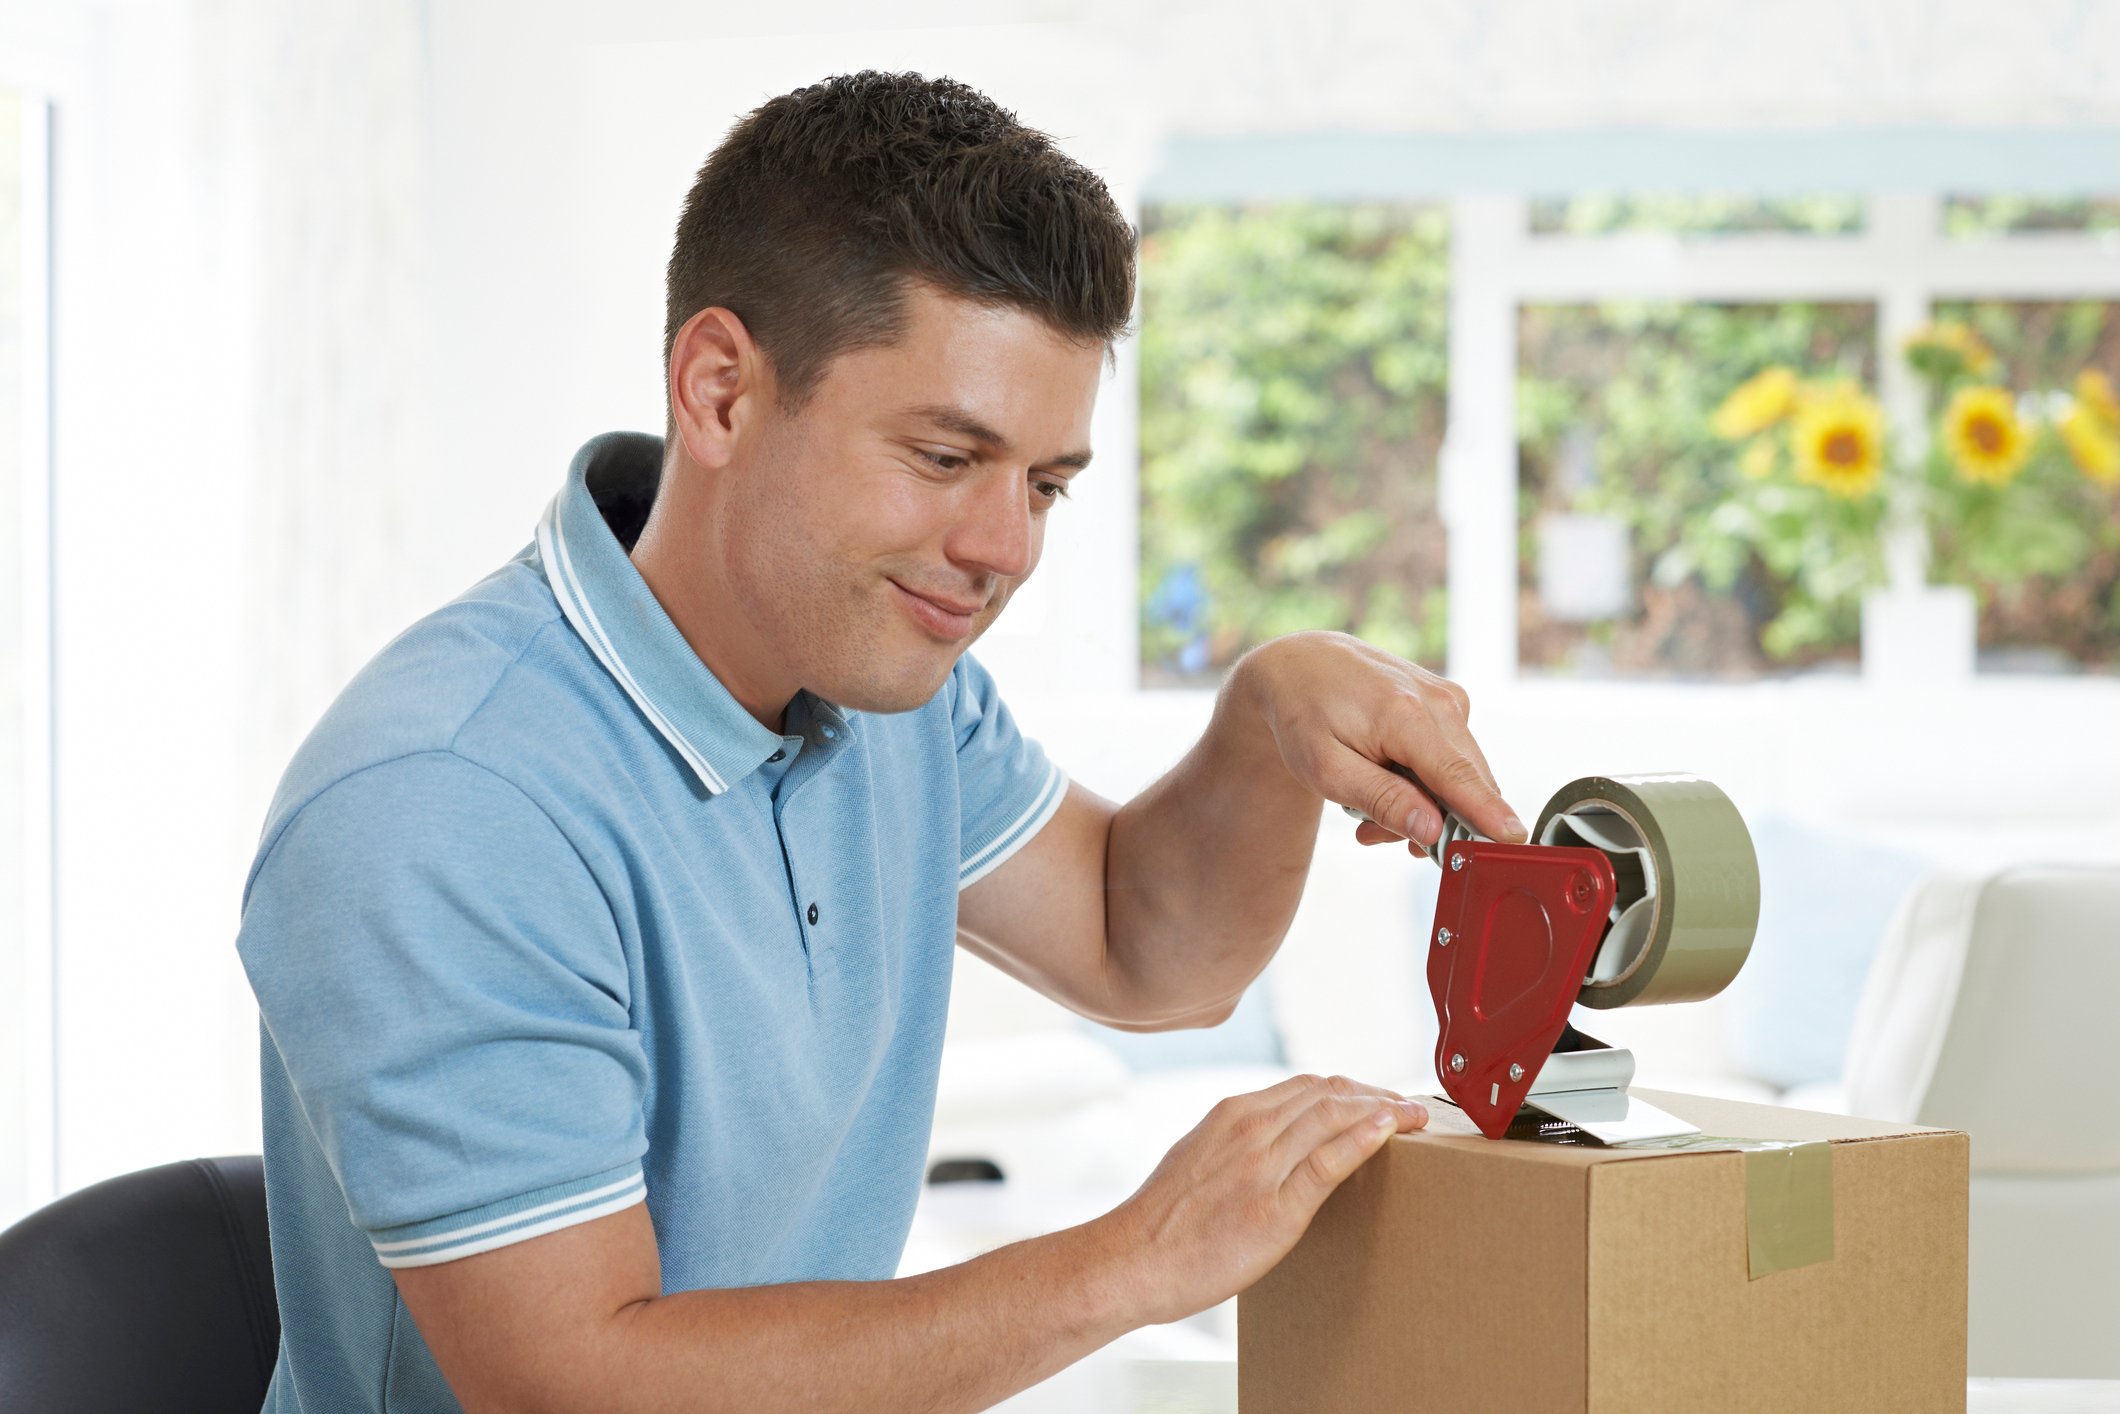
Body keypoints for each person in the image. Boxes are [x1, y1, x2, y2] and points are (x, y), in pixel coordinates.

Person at [236, 69, 1526, 1413]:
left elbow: (1140, 940)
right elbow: (579, 1385)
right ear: (722, 393)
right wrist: (1135, 1256)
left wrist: (1271, 717)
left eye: (1044, 484)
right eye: (945, 455)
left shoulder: (880, 678)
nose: (1005, 550)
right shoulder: (447, 801)